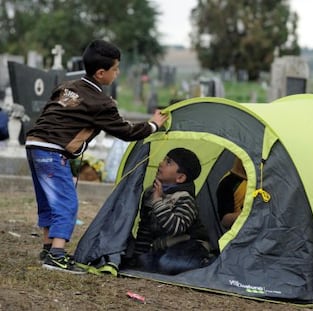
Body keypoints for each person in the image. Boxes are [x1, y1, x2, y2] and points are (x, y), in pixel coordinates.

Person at [25, 39, 168, 274]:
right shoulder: (100, 102)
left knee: (48, 201)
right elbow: (126, 131)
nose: (118, 72)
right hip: (52, 151)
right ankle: (57, 256)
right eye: (116, 69)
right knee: (66, 203)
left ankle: (48, 247)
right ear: (101, 73)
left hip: (34, 145)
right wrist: (153, 125)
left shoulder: (67, 87)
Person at [123, 147, 213, 275]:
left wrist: (158, 202)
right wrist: (139, 256)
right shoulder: (150, 193)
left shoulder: (185, 198)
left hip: (191, 245)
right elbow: (145, 228)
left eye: (168, 162)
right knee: (143, 261)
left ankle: (206, 262)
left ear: (180, 178)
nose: (161, 163)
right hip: (164, 248)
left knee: (167, 263)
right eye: (164, 159)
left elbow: (175, 228)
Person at [216, 158, 247, 230]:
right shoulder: (228, 182)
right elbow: (225, 221)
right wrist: (249, 213)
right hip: (243, 232)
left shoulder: (269, 178)